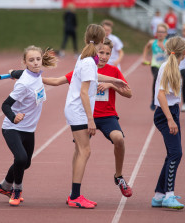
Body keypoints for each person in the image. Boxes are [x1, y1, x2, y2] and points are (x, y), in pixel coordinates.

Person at [43, 38, 133, 200]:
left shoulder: (113, 71)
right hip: (85, 116)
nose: (104, 56)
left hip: (106, 116)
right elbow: (57, 81)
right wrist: (33, 76)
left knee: (119, 139)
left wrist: (111, 85)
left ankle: (118, 176)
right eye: (101, 52)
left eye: (108, 53)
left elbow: (129, 93)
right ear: (95, 51)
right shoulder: (84, 68)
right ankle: (74, 191)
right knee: (80, 151)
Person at [64, 24, 127, 209]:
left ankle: (73, 195)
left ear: (86, 39)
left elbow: (93, 76)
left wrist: (113, 80)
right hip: (78, 111)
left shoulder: (85, 58)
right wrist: (90, 119)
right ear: (101, 41)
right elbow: (84, 92)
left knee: (80, 151)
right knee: (85, 151)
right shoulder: (89, 61)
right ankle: (75, 196)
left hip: (75, 109)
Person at [0, 46, 57, 207]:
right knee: (21, 158)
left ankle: (4, 186)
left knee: (26, 163)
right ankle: (17, 190)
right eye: (31, 60)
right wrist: (13, 117)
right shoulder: (23, 84)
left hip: (29, 129)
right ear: (25, 62)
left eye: (38, 59)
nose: (36, 63)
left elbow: (17, 73)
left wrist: (11, 73)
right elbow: (5, 105)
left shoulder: (32, 74)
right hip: (12, 127)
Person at [151, 36, 185, 210]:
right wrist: (170, 119)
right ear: (184, 52)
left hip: (172, 111)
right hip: (166, 114)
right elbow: (161, 95)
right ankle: (169, 195)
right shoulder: (167, 67)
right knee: (176, 153)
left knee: (172, 153)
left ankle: (159, 195)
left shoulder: (173, 66)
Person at [142, 23, 168, 110]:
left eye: (162, 32)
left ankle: (164, 99)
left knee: (165, 83)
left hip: (165, 67)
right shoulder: (152, 42)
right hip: (155, 65)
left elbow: (172, 54)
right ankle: (153, 100)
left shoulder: (168, 43)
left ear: (166, 33)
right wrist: (144, 58)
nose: (160, 33)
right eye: (158, 31)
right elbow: (146, 48)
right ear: (156, 33)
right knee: (156, 78)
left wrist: (164, 49)